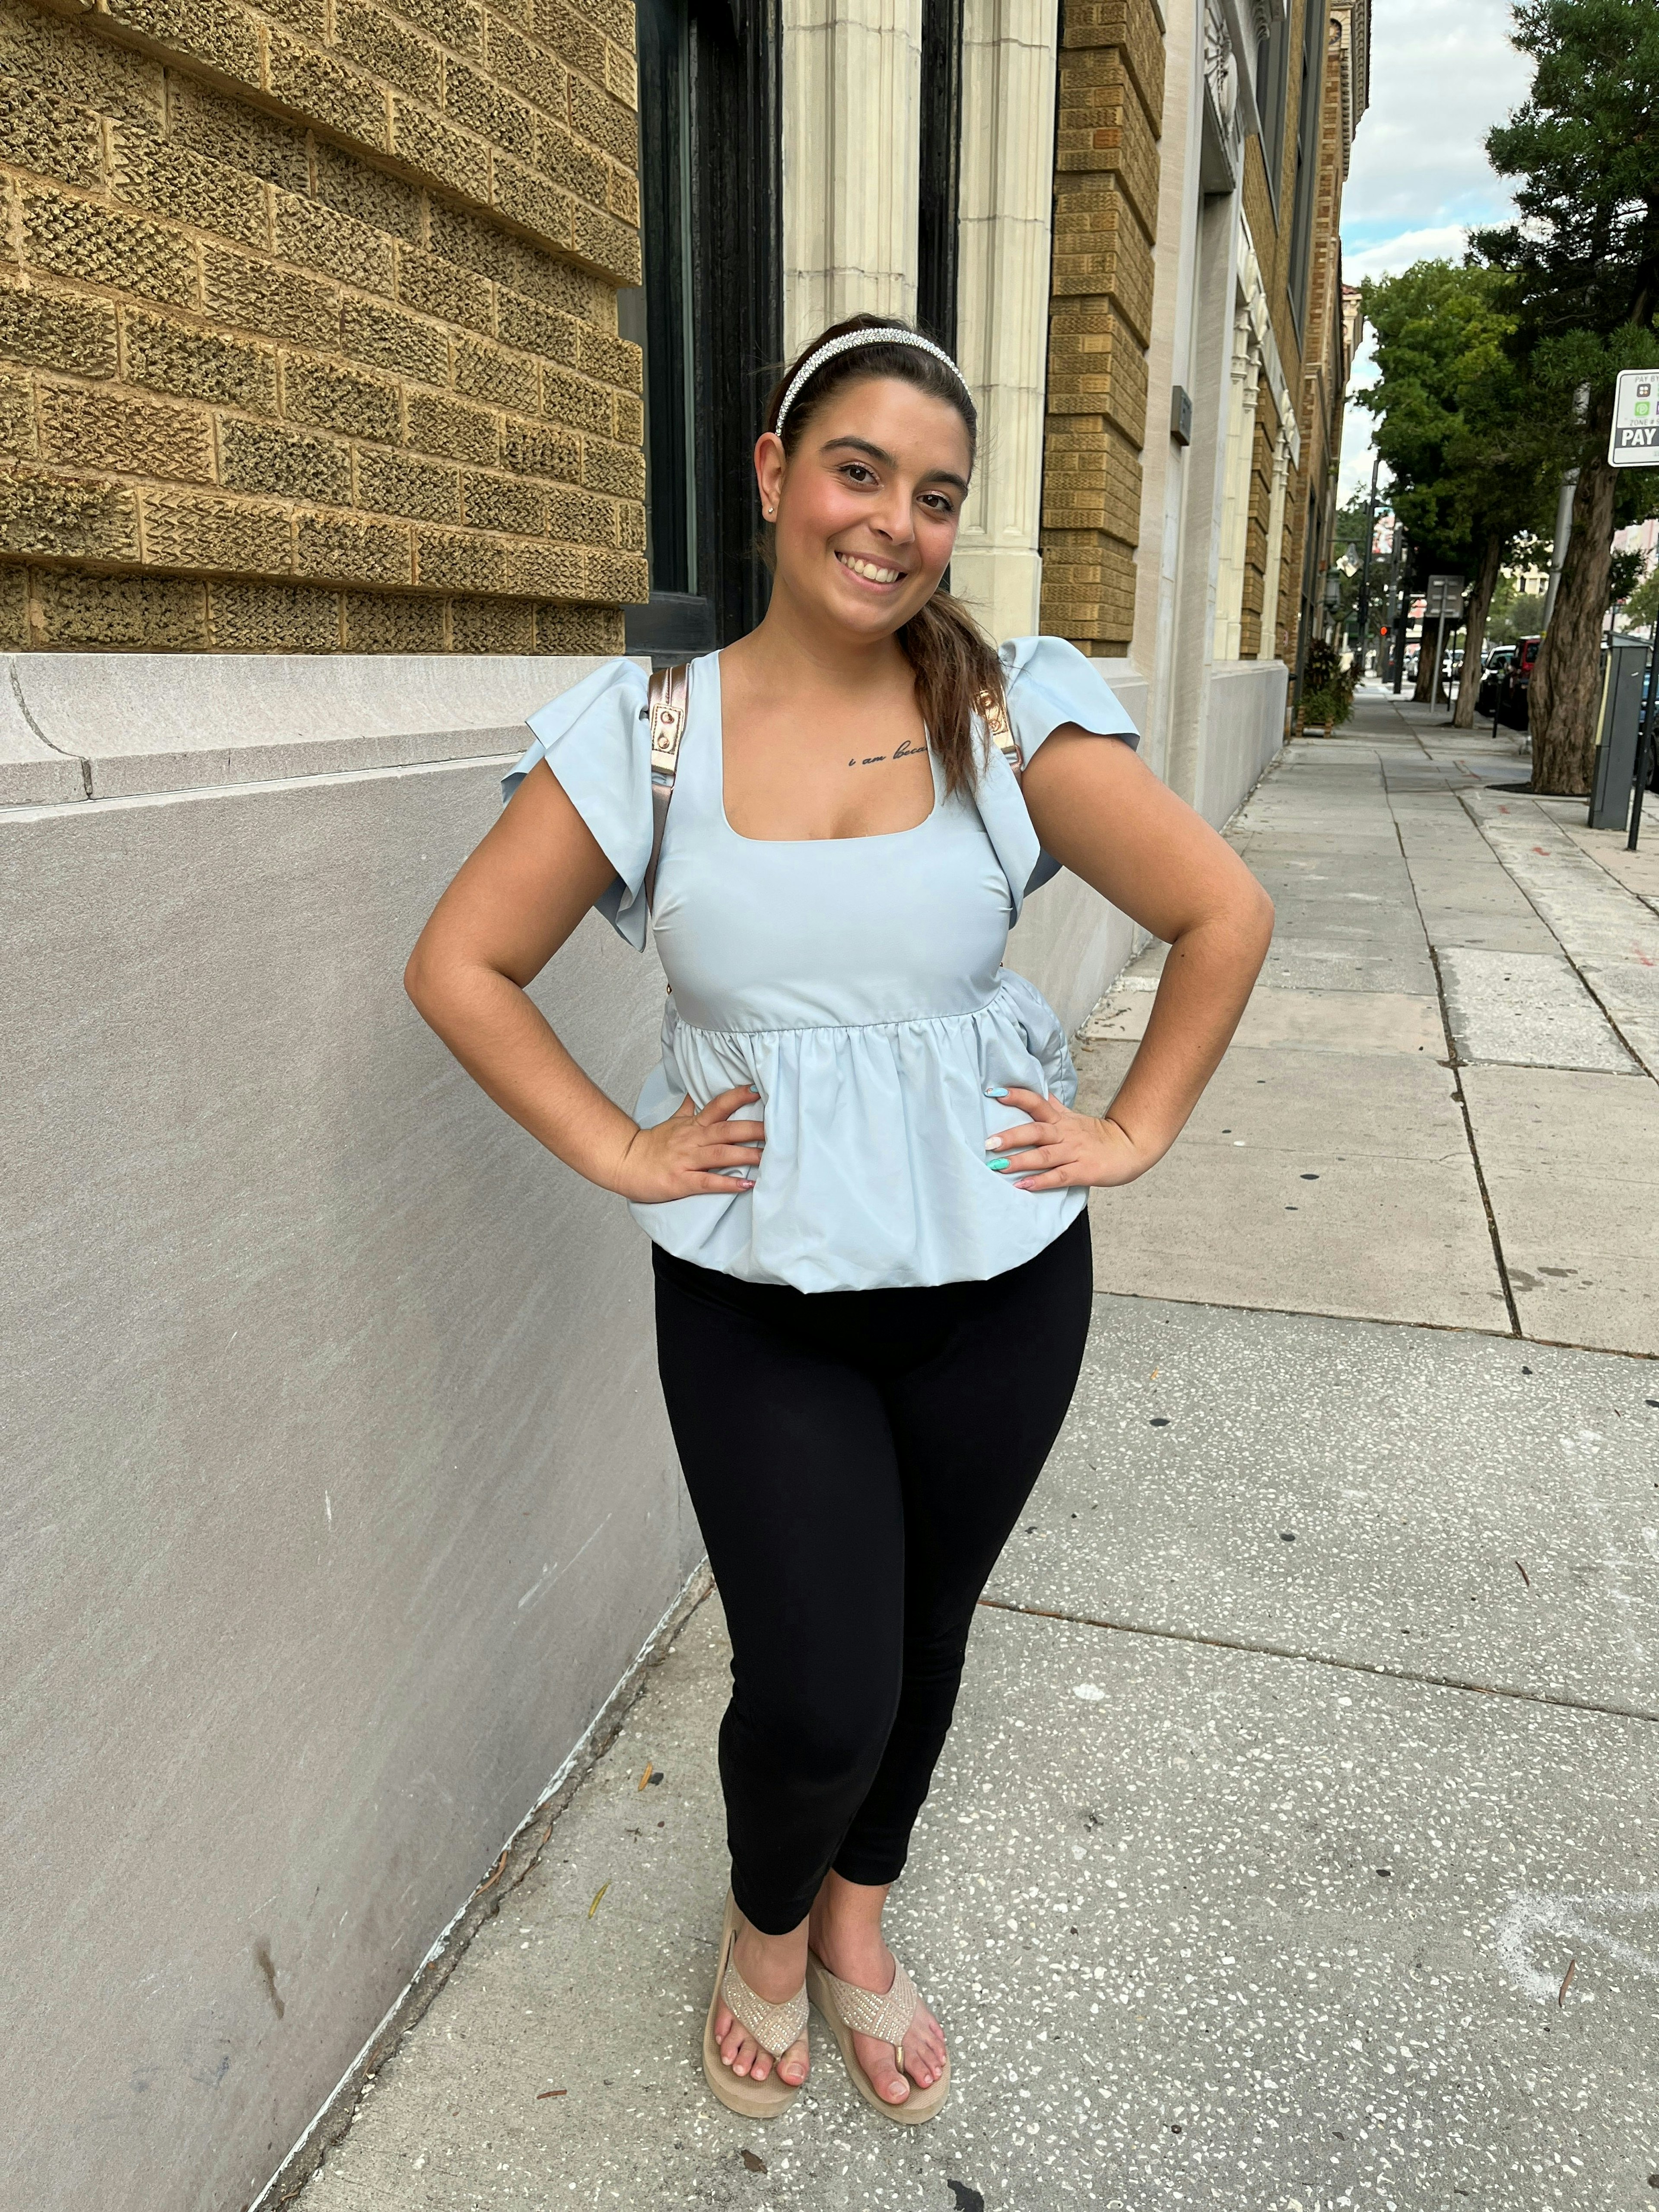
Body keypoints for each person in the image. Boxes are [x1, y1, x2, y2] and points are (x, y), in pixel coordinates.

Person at [404, 312, 1273, 2126]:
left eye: (936, 495)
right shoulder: (651, 731)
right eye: (859, 472)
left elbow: (1223, 913)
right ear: (774, 475)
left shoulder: (1006, 712)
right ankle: (767, 1918)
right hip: (758, 1294)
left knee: (927, 1633)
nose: (894, 523)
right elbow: (463, 963)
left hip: (1004, 1280)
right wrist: (620, 1147)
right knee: (817, 1683)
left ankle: (856, 1917)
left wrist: (1133, 1128)